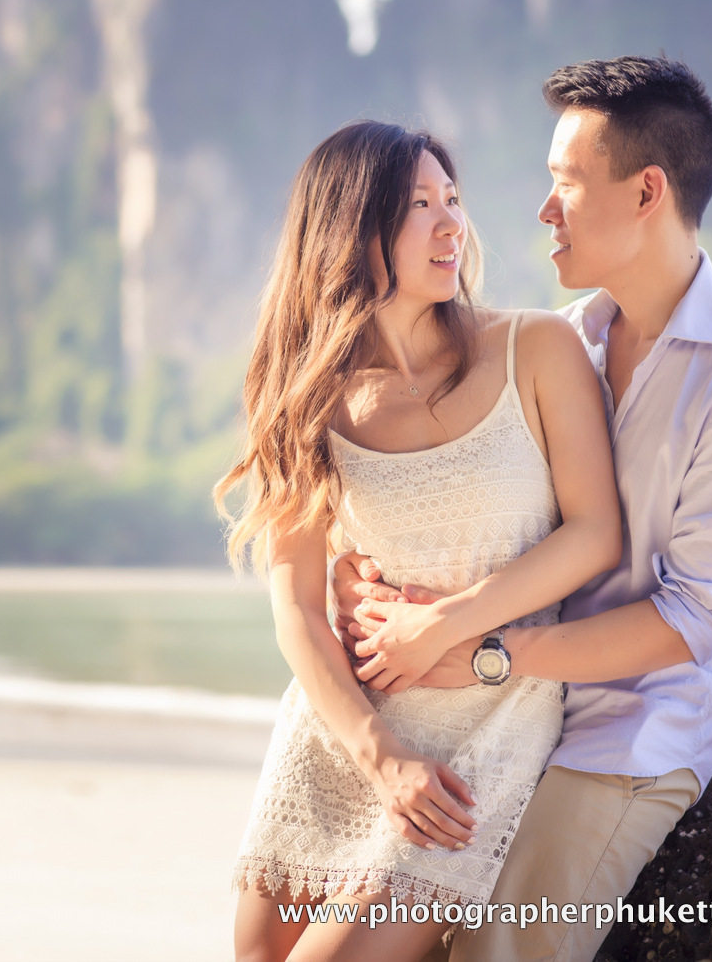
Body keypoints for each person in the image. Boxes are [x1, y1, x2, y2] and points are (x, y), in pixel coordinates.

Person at [338, 56, 712, 961]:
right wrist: (363, 584)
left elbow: (695, 618)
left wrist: (488, 653)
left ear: (647, 192)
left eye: (566, 183)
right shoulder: (565, 344)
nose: (543, 210)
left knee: (491, 950)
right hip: (504, 708)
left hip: (624, 737)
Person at [218, 119, 624, 962]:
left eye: (453, 199)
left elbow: (595, 534)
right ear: (350, 228)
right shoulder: (306, 395)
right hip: (350, 726)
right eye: (419, 205)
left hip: (490, 720)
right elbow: (297, 607)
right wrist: (382, 756)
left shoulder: (535, 348)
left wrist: (442, 624)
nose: (451, 225)